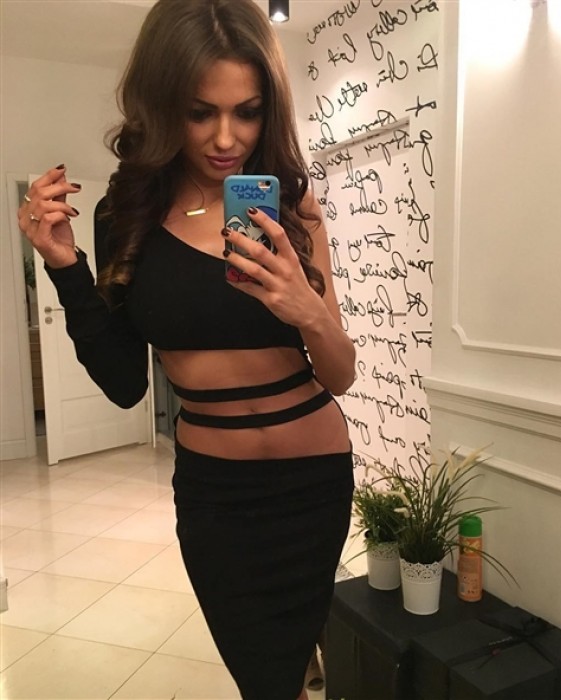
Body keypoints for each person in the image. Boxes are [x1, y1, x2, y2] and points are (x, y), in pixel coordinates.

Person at [18, 1, 355, 699]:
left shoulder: (292, 208)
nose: (226, 137)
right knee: (262, 676)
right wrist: (64, 266)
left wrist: (306, 309)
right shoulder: (127, 215)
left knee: (288, 667)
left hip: (314, 480)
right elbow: (123, 384)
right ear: (162, 103)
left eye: (248, 112)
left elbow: (340, 374)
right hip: (216, 495)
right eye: (201, 113)